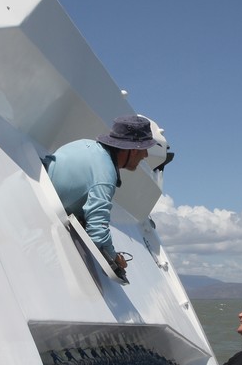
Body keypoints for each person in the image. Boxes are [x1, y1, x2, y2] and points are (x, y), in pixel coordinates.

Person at [44, 114, 157, 280]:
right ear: (133, 150)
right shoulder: (106, 176)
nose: (146, 155)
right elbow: (97, 233)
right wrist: (115, 258)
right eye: (144, 149)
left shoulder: (84, 144)